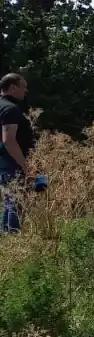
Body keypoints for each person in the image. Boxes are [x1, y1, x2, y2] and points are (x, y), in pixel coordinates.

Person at [0, 73, 35, 233]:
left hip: (4, 160)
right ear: (13, 87)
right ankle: (13, 236)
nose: (26, 90)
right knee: (16, 199)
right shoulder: (10, 109)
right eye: (23, 87)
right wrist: (25, 165)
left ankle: (7, 236)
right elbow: (9, 141)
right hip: (12, 160)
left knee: (10, 199)